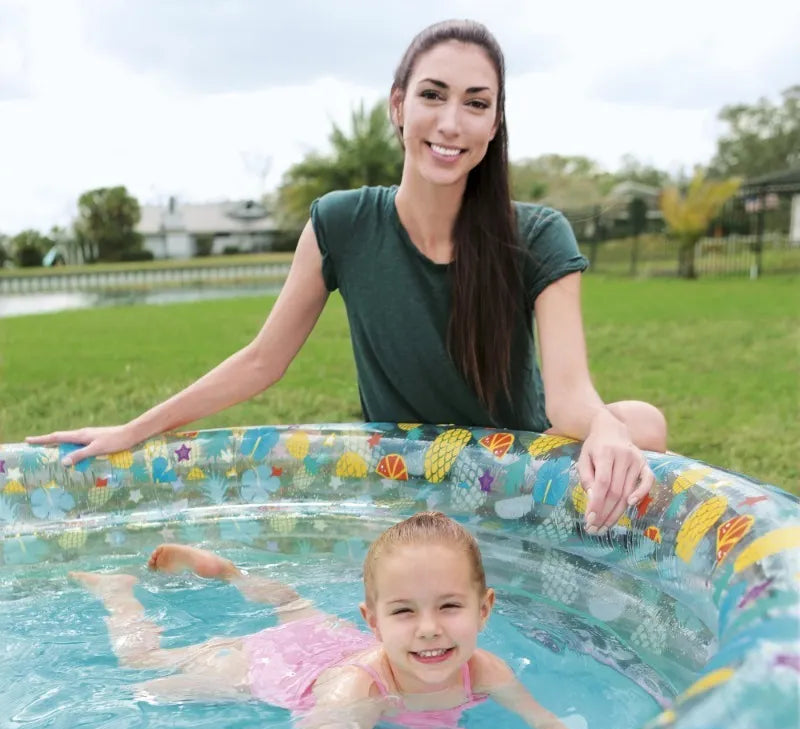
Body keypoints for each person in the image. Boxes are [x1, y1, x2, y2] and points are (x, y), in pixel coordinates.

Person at [29, 19, 666, 537]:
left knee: (643, 425)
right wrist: (133, 431)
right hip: (408, 484)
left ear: (494, 124)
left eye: (476, 104)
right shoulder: (342, 223)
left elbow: (568, 398)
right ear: (398, 105)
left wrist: (605, 427)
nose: (451, 123)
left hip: (518, 468)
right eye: (433, 95)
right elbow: (262, 361)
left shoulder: (537, 234)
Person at [72, 512, 592, 729]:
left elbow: (550, 726)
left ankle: (232, 574)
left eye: (450, 606)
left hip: (331, 642)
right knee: (141, 665)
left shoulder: (486, 669)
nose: (430, 628)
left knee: (294, 605)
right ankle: (118, 594)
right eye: (405, 611)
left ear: (485, 609)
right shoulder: (354, 693)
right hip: (278, 667)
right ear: (373, 620)